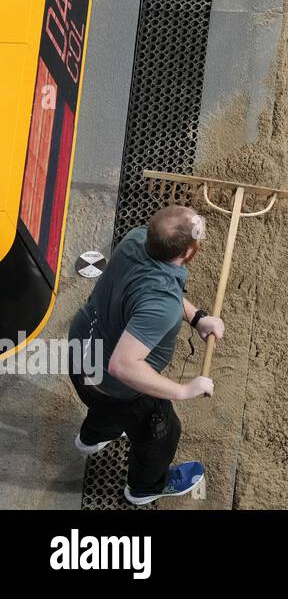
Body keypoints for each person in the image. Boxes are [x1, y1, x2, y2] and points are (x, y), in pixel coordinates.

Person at [67, 205, 221, 505]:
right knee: (161, 435)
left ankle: (92, 438)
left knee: (101, 403)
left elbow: (160, 296)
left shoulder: (135, 239)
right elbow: (123, 366)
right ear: (189, 253)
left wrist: (198, 317)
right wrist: (183, 390)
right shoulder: (161, 304)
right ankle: (145, 488)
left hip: (80, 348)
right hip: (117, 382)